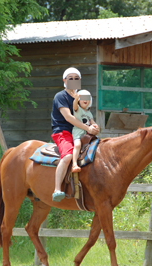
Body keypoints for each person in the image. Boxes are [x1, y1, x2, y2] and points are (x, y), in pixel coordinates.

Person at [50, 67, 99, 202]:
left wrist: (93, 126)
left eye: (76, 78)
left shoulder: (82, 96)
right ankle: (57, 189)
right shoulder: (60, 96)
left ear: (80, 81)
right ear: (64, 80)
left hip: (79, 132)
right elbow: (69, 118)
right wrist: (87, 129)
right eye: (70, 78)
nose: (73, 80)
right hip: (63, 131)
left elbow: (86, 115)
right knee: (68, 156)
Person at [71, 89, 97, 173]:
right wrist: (75, 99)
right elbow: (75, 106)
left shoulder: (89, 113)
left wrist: (96, 127)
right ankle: (74, 163)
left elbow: (93, 122)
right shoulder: (78, 109)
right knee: (77, 145)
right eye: (83, 98)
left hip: (87, 135)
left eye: (87, 98)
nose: (85, 100)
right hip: (78, 133)